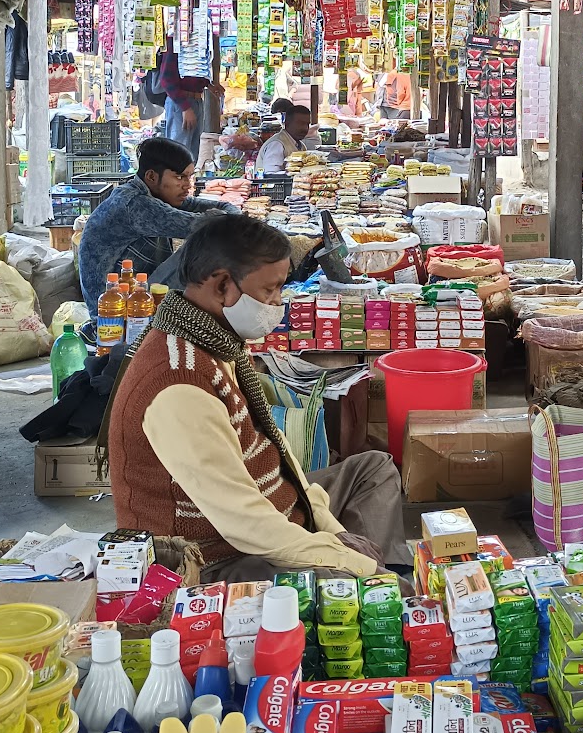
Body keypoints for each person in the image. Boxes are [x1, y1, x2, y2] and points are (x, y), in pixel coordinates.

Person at [107, 219, 408, 577]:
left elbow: (275, 446)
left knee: (372, 469)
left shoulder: (216, 340)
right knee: (337, 584)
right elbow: (244, 523)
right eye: (271, 290)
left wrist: (332, 531)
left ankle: (386, 576)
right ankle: (380, 584)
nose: (278, 302)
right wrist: (345, 559)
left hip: (274, 504)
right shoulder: (177, 382)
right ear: (222, 285)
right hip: (216, 555)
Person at [78, 138, 238, 311]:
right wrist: (234, 221)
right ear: (152, 176)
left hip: (136, 294)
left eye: (189, 177)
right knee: (209, 240)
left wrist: (233, 217)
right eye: (179, 177)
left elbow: (217, 208)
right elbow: (205, 225)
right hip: (115, 308)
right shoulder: (135, 204)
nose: (187, 186)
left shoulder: (156, 195)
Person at [151, 40, 217, 159]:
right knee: (178, 155)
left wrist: (208, 84)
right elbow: (166, 80)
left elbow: (193, 73)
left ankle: (188, 177)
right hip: (180, 104)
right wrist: (185, 107)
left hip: (195, 101)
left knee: (192, 154)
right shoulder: (174, 41)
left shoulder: (196, 40)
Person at [254, 104, 319, 175]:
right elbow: (271, 174)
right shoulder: (277, 144)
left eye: (307, 124)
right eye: (300, 124)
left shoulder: (301, 145)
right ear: (287, 123)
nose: (305, 128)